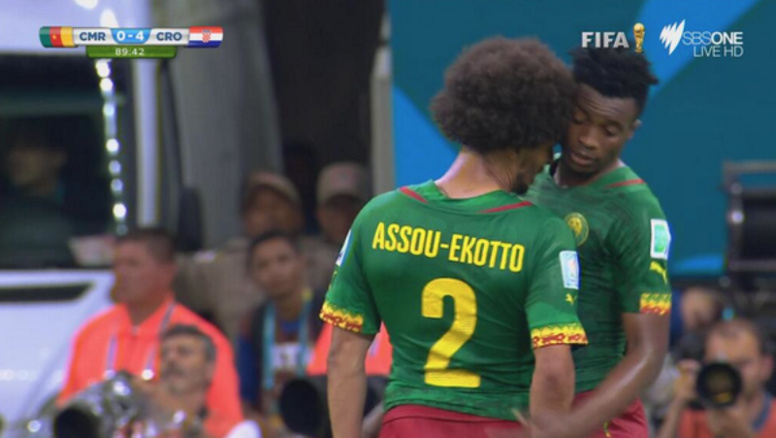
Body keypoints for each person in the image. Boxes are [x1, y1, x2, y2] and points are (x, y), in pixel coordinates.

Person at [321, 37, 584, 438]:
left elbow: (343, 355)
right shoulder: (544, 234)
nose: (549, 160)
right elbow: (553, 370)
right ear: (523, 135)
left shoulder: (377, 217)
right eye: (549, 144)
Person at [522, 47, 668, 438]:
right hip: (522, 403)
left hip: (595, 416)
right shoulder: (527, 176)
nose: (588, 140)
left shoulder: (636, 210)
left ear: (632, 130)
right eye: (579, 120)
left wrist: (570, 426)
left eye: (609, 130)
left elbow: (649, 351)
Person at [59, 228, 243, 438]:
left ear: (167, 272)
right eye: (117, 264)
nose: (121, 273)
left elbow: (228, 425)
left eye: (133, 264)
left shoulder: (201, 339)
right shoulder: (91, 333)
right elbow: (68, 410)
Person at [175, 171, 305, 341]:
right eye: (259, 208)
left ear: (297, 214)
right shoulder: (220, 267)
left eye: (277, 205)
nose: (269, 213)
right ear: (245, 218)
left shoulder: (326, 261)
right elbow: (164, 272)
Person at [236, 231, 325, 435]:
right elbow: (244, 398)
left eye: (283, 260)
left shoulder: (329, 314)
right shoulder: (251, 324)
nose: (274, 271)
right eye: (263, 265)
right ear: (252, 275)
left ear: (302, 262)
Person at [133, 324, 262, 438]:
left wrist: (177, 414)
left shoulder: (240, 430)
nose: (171, 359)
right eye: (164, 354)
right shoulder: (141, 428)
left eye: (184, 352)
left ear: (209, 369)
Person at [656, 319, 776, 438]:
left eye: (741, 364)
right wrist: (677, 405)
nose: (729, 375)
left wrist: (742, 433)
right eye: (721, 366)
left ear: (766, 366)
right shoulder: (693, 416)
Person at [303, 162, 370, 292]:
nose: (343, 216)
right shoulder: (304, 257)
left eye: (350, 206)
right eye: (335, 207)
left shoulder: (378, 250)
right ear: (320, 214)